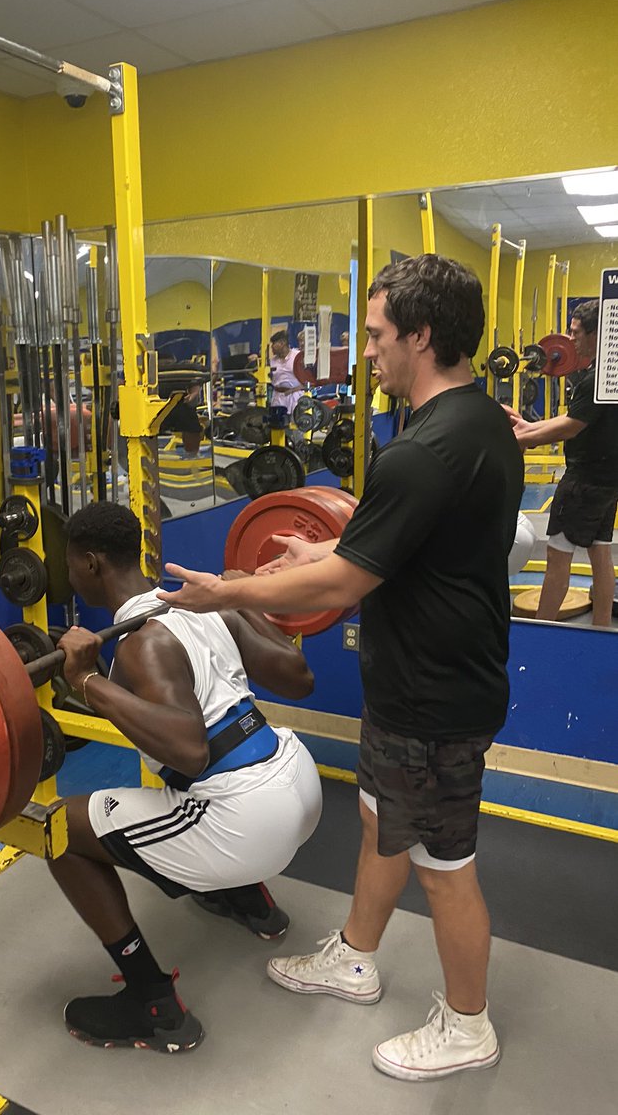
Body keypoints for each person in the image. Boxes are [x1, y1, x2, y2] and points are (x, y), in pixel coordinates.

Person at [159, 254, 524, 1082]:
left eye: (377, 334)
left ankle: (468, 1026)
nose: (367, 352)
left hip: (434, 701)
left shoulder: (422, 451)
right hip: (427, 687)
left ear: (421, 336)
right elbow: (403, 537)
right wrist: (331, 541)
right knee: (377, 821)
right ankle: (356, 955)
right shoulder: (481, 424)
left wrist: (228, 593)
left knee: (445, 870)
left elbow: (347, 580)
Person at [52, 501, 323, 1052]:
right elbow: (299, 678)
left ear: (93, 563)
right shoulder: (206, 607)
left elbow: (188, 748)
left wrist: (86, 681)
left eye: (72, 563)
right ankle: (250, 902)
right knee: (185, 783)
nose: (70, 573)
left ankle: (151, 1003)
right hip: (297, 780)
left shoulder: (143, 640)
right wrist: (238, 600)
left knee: (59, 830)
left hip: (247, 821)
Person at [507, 300, 618, 626]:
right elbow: (575, 417)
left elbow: (572, 426)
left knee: (557, 557)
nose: (571, 341)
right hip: (609, 479)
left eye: (576, 333)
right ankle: (601, 630)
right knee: (600, 552)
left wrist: (521, 439)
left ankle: (542, 631)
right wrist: (529, 428)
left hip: (583, 482)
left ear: (597, 335)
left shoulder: (593, 380)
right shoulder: (608, 374)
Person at [268, 329, 304, 415]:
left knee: (296, 425)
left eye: (274, 344)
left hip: (295, 396)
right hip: (278, 397)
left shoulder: (298, 356)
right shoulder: (272, 361)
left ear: (282, 343)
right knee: (277, 425)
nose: (272, 347)